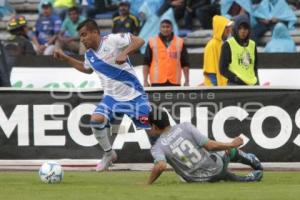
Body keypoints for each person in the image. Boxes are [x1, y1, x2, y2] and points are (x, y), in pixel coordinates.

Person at [53, 19, 150, 172]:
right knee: (96, 120)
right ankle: (109, 154)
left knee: (153, 132)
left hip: (134, 95)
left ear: (95, 32)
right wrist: (66, 58)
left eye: (84, 35)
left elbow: (140, 40)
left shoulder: (112, 40)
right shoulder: (89, 55)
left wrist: (124, 53)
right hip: (111, 98)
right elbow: (86, 69)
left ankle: (166, 159)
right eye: (80, 36)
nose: (82, 39)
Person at [147, 109, 263, 184]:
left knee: (224, 176)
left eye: (149, 126)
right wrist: (231, 144)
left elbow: (161, 165)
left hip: (197, 180)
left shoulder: (157, 147)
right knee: (224, 150)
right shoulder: (186, 127)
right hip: (216, 165)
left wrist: (147, 184)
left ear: (155, 127)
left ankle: (248, 178)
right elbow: (210, 146)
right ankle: (250, 159)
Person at [143, 19, 189, 87]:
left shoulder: (180, 42)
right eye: (163, 27)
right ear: (160, 28)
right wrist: (145, 81)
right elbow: (146, 63)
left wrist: (187, 81)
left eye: (167, 27)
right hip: (157, 81)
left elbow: (185, 63)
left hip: (174, 81)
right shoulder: (152, 42)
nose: (165, 29)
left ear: (172, 28)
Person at [219, 14, 259, 86]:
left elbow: (254, 67)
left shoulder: (253, 45)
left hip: (252, 85)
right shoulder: (228, 44)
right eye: (240, 28)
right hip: (235, 84)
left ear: (249, 30)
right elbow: (222, 69)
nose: (243, 31)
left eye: (245, 28)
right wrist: (236, 79)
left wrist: (257, 82)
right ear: (236, 29)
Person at [1, 16, 36, 87]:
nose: (27, 29)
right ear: (22, 29)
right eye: (25, 27)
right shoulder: (26, 42)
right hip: (21, 78)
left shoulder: (3, 43)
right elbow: (32, 61)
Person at [203, 15, 232, 86]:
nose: (229, 29)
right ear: (220, 28)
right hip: (216, 87)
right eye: (226, 27)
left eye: (229, 27)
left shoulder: (224, 43)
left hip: (224, 85)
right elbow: (210, 69)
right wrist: (215, 86)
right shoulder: (211, 45)